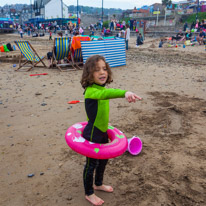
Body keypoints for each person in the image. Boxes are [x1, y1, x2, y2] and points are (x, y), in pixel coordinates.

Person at [80, 55, 142, 206]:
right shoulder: (91, 91)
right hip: (93, 133)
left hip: (102, 132)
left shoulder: (101, 87)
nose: (102, 72)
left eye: (104, 69)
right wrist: (124, 93)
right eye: (97, 70)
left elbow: (105, 97)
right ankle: (89, 193)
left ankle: (98, 184)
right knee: (91, 164)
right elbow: (106, 94)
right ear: (89, 74)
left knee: (103, 161)